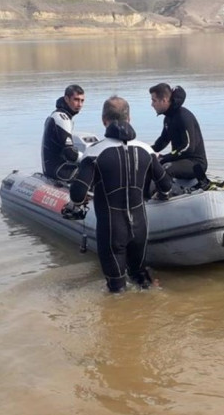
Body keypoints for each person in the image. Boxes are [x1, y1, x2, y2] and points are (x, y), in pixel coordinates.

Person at [66, 96, 172, 293]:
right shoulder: (146, 149)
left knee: (117, 290)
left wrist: (79, 201)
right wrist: (161, 195)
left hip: (112, 229)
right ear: (129, 119)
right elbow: (165, 185)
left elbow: (77, 194)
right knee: (141, 280)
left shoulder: (94, 153)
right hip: (140, 227)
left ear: (104, 120)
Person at [149, 83, 209, 184]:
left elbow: (188, 147)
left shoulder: (183, 117)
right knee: (151, 164)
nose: (152, 104)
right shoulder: (168, 118)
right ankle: (145, 195)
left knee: (165, 168)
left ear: (164, 100)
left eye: (154, 100)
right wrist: (145, 151)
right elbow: (162, 141)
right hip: (180, 160)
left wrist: (165, 157)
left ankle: (162, 196)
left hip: (195, 163)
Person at [42, 84, 85, 181]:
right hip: (58, 170)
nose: (80, 104)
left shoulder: (56, 115)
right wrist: (91, 159)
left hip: (52, 167)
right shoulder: (62, 118)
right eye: (76, 100)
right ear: (66, 99)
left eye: (82, 101)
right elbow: (70, 154)